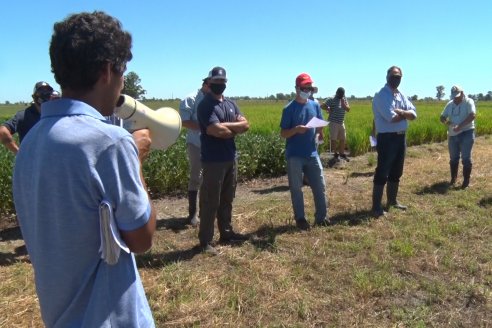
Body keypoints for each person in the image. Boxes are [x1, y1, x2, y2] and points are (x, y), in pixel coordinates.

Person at [12, 11, 156, 327]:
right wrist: (136, 157)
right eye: (122, 73)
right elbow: (142, 239)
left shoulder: (33, 141)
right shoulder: (111, 142)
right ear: (107, 71)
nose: (121, 85)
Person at [197, 66, 249, 254]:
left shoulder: (231, 104)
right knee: (211, 201)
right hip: (213, 161)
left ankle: (226, 232)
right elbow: (215, 131)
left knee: (227, 198)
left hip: (230, 158)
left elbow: (246, 125)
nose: (220, 84)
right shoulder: (205, 105)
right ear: (209, 82)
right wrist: (234, 128)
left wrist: (226, 127)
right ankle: (205, 241)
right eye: (216, 81)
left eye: (222, 82)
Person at [280, 73, 330, 230]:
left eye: (309, 88)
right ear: (297, 88)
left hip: (312, 153)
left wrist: (320, 130)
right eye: (304, 88)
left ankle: (322, 217)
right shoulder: (289, 109)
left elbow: (320, 122)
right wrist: (295, 130)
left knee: (319, 185)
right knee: (296, 188)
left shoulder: (314, 105)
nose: (307, 90)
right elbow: (283, 133)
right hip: (294, 155)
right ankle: (300, 219)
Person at [371, 66, 417, 217]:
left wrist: (402, 112)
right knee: (383, 171)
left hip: (400, 137)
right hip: (387, 138)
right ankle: (376, 207)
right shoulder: (381, 95)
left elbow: (414, 114)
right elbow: (391, 118)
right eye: (393, 76)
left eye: (398, 77)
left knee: (397, 171)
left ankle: (392, 201)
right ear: (387, 77)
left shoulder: (401, 95)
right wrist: (405, 114)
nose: (396, 79)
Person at [179, 77, 210, 227]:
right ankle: (192, 214)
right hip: (196, 144)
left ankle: (206, 211)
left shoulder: (216, 99)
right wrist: (206, 128)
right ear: (205, 84)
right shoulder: (190, 99)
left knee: (208, 178)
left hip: (211, 145)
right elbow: (184, 121)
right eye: (213, 85)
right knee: (195, 177)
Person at [0, 81, 55, 154]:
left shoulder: (54, 114)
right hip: (31, 163)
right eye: (41, 92)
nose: (44, 94)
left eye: (47, 92)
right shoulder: (23, 116)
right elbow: (3, 131)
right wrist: (19, 153)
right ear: (33, 97)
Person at [439, 85, 476, 189]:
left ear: (462, 93)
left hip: (466, 132)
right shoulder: (450, 104)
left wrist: (460, 126)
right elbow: (442, 117)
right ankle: (453, 179)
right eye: (454, 96)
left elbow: (472, 115)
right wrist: (448, 122)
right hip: (452, 134)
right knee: (453, 158)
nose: (456, 98)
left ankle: (466, 181)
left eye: (458, 96)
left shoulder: (469, 102)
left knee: (466, 158)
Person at [322, 87, 351, 162]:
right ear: (336, 93)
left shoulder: (344, 98)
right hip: (333, 122)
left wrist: (344, 105)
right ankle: (335, 154)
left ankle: (341, 154)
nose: (341, 96)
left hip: (341, 122)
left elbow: (348, 109)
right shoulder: (331, 99)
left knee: (343, 138)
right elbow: (322, 105)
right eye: (340, 94)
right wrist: (328, 108)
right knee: (333, 139)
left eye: (342, 94)